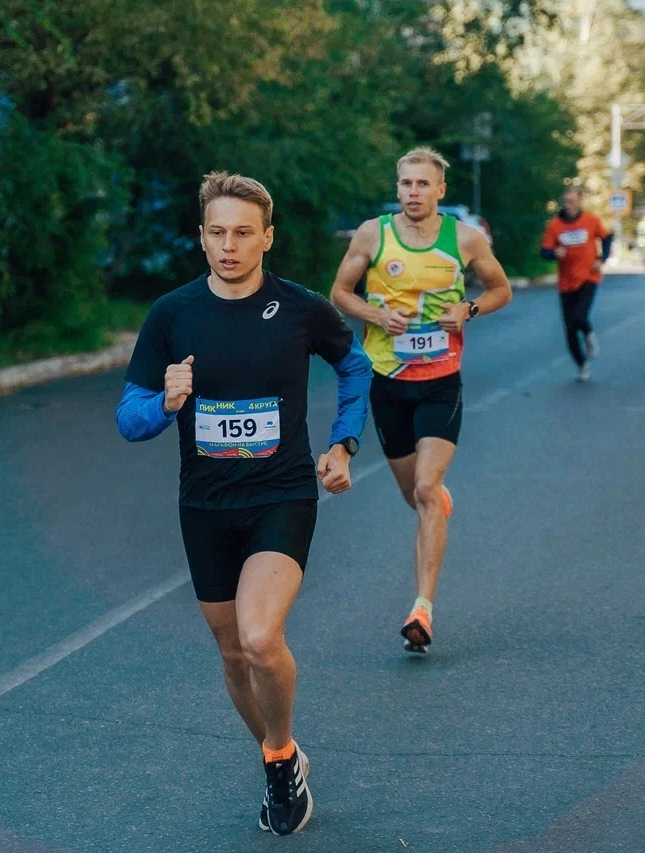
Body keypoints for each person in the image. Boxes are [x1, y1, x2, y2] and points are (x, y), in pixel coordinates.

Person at [116, 171, 372, 836]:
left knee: (260, 637)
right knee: (233, 652)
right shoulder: (172, 315)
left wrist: (343, 442)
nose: (229, 246)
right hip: (205, 504)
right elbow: (128, 417)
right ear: (201, 238)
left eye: (243, 233)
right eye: (218, 233)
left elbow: (355, 365)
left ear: (267, 237)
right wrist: (165, 401)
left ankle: (280, 760)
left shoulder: (299, 308)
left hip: (282, 493)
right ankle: (281, 754)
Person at [329, 147, 512, 655]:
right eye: (406, 183)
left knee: (428, 489)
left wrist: (468, 308)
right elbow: (340, 292)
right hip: (387, 379)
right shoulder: (373, 234)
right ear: (398, 188)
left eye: (422, 184)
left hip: (440, 380)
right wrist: (375, 314)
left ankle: (422, 610)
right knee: (414, 495)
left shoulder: (465, 239)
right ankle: (433, 499)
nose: (413, 192)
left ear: (440, 190)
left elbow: (501, 290)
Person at [540, 186, 612, 382]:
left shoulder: (591, 220)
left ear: (579, 201)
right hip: (566, 282)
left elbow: (607, 238)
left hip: (589, 276)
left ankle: (589, 336)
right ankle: (582, 365)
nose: (569, 205)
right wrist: (554, 253)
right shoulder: (555, 225)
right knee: (570, 328)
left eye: (572, 201)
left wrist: (601, 259)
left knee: (580, 316)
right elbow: (544, 251)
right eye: (566, 201)